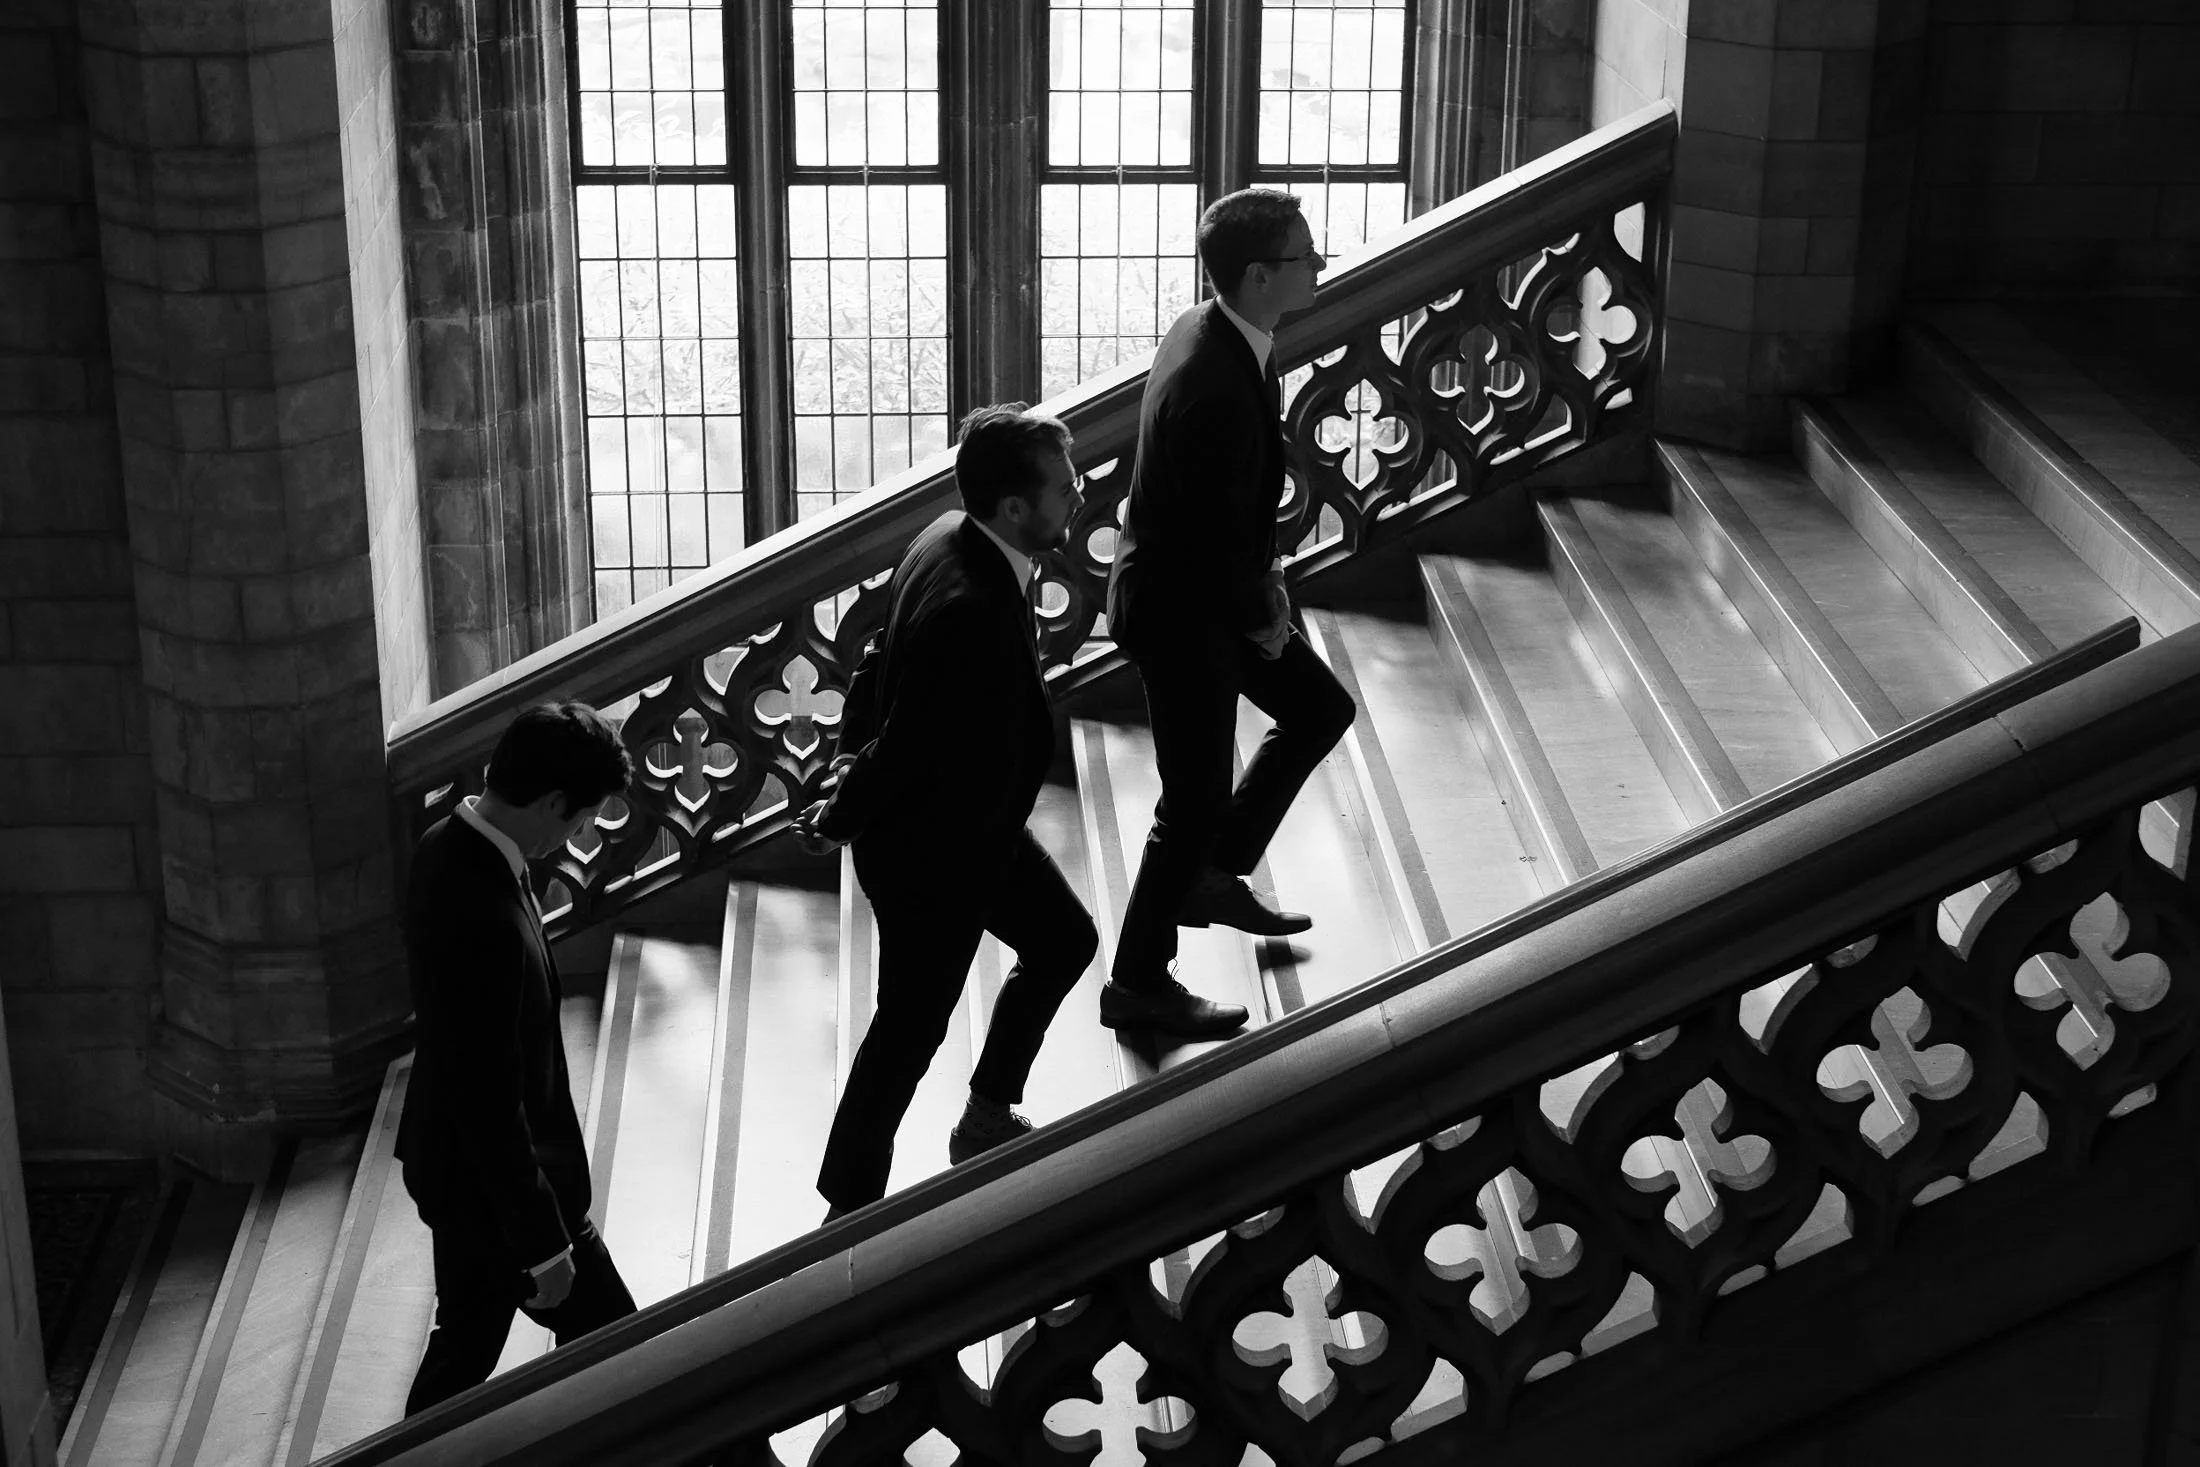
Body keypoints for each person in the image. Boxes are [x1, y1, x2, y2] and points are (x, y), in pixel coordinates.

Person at [797, 404, 1103, 1221]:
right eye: (1065, 487)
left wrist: (845, 758)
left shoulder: (947, 535)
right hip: (929, 854)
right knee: (910, 1027)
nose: (1080, 494)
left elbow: (877, 660)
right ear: (1014, 506)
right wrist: (839, 809)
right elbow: (905, 743)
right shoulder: (971, 604)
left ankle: (986, 1114)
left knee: (1065, 941)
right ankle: (847, 1210)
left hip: (975, 825)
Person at [1102, 188, 1358, 1036]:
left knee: (1318, 708)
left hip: (1208, 590)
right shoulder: (1214, 380)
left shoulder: (1220, 328)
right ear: (1257, 276)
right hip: (1181, 613)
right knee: (1192, 797)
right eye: (1304, 255)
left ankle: (1212, 872)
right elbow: (1210, 541)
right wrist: (1265, 617)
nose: (1318, 265)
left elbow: (1234, 506)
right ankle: (1136, 982)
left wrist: (1269, 578)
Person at [396, 702, 638, 1415]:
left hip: (468, 1178)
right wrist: (544, 1246)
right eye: (581, 818)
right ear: (553, 802)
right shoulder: (480, 910)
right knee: (630, 1352)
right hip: (500, 1193)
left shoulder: (448, 844)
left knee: (462, 1351)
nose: (578, 835)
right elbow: (487, 1099)